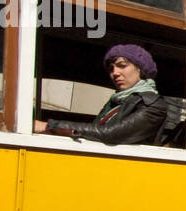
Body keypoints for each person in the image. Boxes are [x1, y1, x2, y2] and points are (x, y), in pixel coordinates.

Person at [35, 43, 167, 145]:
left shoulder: (153, 104)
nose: (115, 73)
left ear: (140, 69)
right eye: (111, 68)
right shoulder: (116, 102)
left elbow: (111, 133)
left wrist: (50, 126)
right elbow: (95, 130)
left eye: (122, 65)